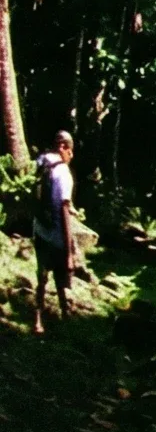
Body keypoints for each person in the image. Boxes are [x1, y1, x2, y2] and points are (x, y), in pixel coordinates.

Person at [28, 130, 78, 334]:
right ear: (64, 147)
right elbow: (64, 209)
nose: (71, 156)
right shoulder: (64, 173)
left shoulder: (42, 162)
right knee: (61, 275)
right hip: (57, 234)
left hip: (39, 228)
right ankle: (65, 315)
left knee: (41, 276)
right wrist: (69, 250)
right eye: (71, 150)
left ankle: (37, 320)